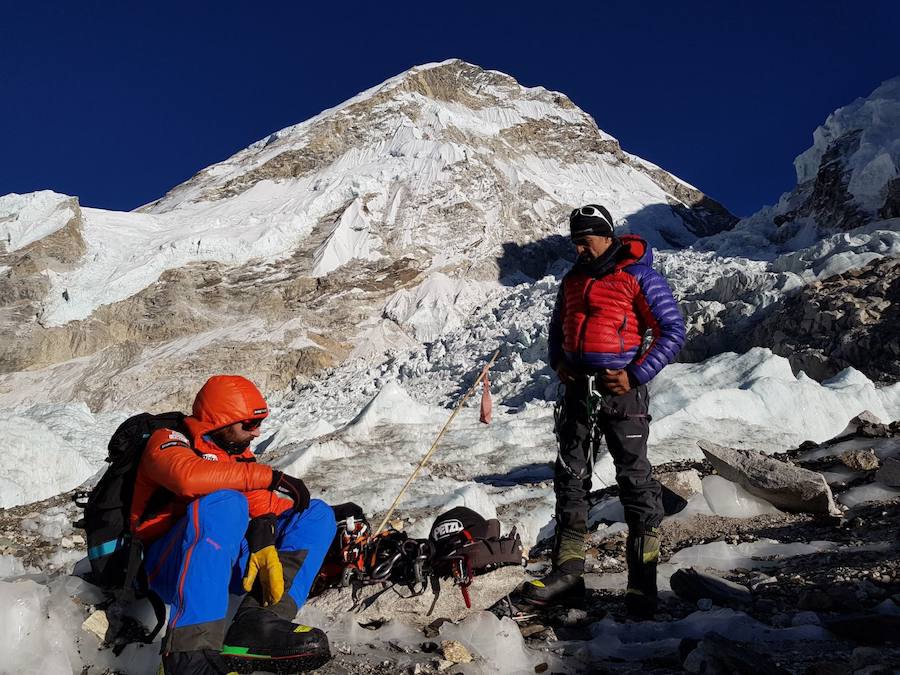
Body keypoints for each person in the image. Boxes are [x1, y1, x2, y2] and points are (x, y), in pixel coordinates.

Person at [521, 204, 685, 617]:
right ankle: (568, 576)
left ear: (607, 236)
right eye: (575, 241)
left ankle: (642, 583)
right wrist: (558, 362)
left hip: (621, 393)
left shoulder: (638, 276)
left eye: (586, 240)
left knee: (634, 478)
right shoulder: (573, 280)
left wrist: (635, 374)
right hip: (578, 390)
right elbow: (559, 327)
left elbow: (672, 329)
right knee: (570, 478)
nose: (580, 249)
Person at [131, 374, 335, 674]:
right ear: (221, 420)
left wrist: (329, 519)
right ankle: (188, 655)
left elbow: (265, 505)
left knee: (317, 514)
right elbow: (187, 477)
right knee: (227, 503)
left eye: (259, 423)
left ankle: (259, 623)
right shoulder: (170, 439)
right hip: (165, 566)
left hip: (218, 562)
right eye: (249, 425)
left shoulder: (236, 456)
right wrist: (268, 476)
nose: (256, 433)